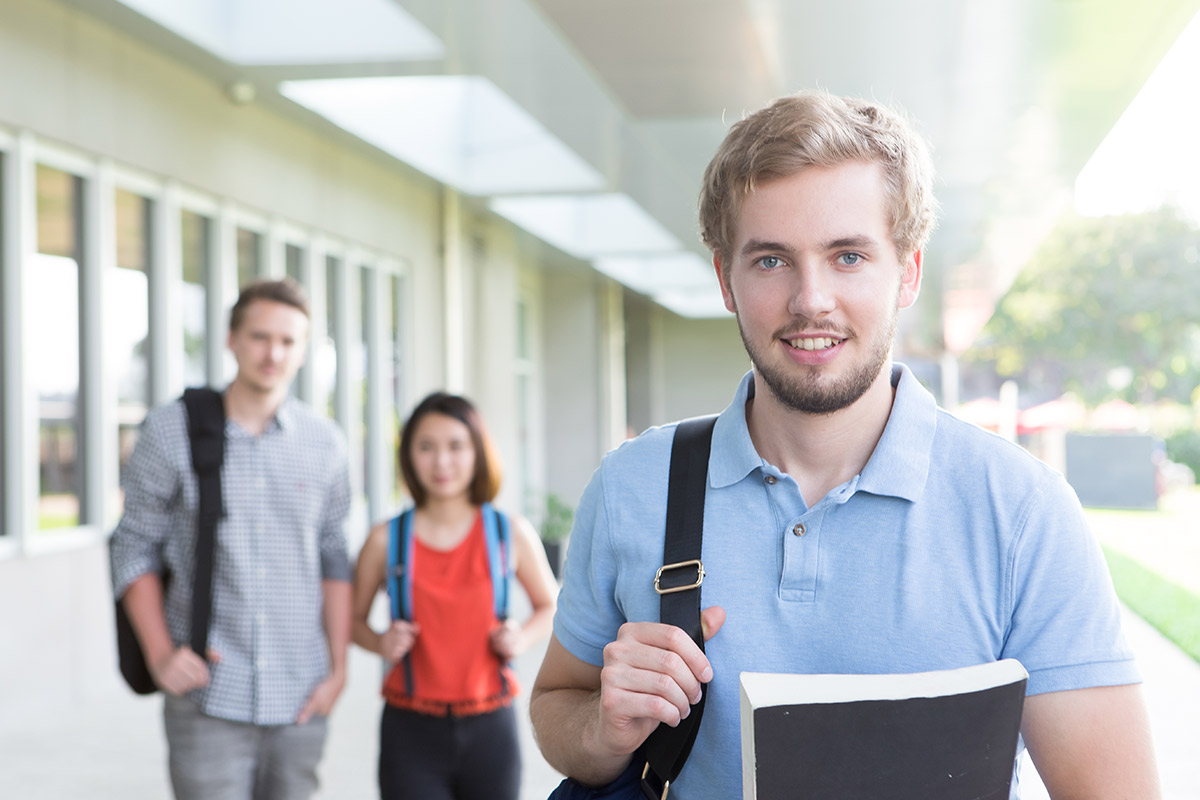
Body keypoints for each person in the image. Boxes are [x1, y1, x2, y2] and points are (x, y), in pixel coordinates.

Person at [530, 91, 1161, 799]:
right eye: (771, 261)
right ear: (725, 281)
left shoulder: (1021, 512)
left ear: (909, 273)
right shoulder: (634, 487)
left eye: (849, 256)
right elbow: (557, 704)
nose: (811, 300)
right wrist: (602, 730)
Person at [111, 278, 352, 800]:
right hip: (208, 695)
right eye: (260, 337)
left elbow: (334, 558)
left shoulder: (326, 444)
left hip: (301, 695)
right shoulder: (170, 430)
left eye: (288, 342)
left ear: (304, 350)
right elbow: (134, 545)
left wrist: (339, 670)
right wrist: (158, 655)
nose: (274, 353)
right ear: (232, 340)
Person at [351, 391, 559, 800]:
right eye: (426, 447)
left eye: (456, 446)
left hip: (490, 727)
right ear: (408, 456)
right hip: (409, 730)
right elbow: (352, 622)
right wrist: (380, 641)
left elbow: (551, 606)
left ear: (478, 452)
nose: (441, 461)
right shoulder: (384, 539)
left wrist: (519, 637)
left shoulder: (508, 533)